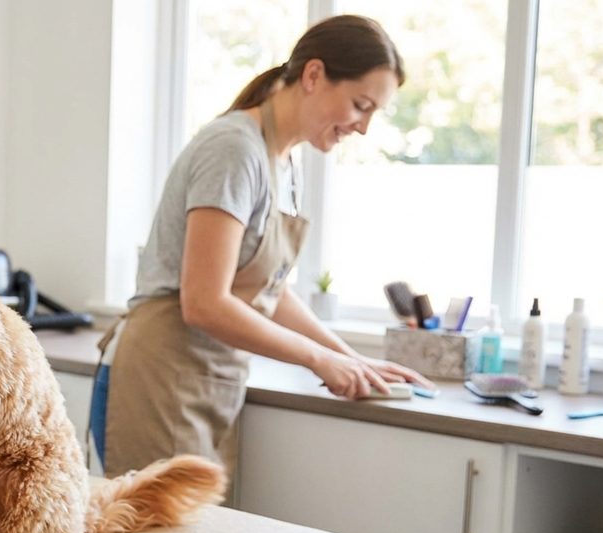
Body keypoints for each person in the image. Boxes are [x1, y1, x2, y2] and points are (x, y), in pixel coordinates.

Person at [90, 15, 434, 486]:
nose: (365, 127)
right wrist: (318, 360)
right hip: (161, 377)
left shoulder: (283, 161)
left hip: (203, 383)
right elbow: (204, 302)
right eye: (360, 105)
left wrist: (347, 356)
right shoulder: (234, 149)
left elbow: (268, 291)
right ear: (313, 75)